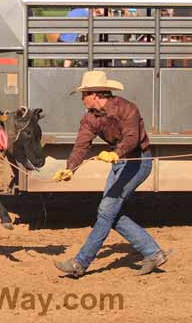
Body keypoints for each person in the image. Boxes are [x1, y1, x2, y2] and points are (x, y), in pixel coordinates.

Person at [53, 70, 168, 277]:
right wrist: (70, 168)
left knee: (106, 211)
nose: (82, 99)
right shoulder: (90, 118)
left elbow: (132, 138)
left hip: (138, 161)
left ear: (95, 95)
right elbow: (81, 146)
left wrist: (116, 153)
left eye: (84, 94)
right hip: (121, 163)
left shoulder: (127, 109)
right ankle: (153, 252)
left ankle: (80, 263)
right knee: (109, 213)